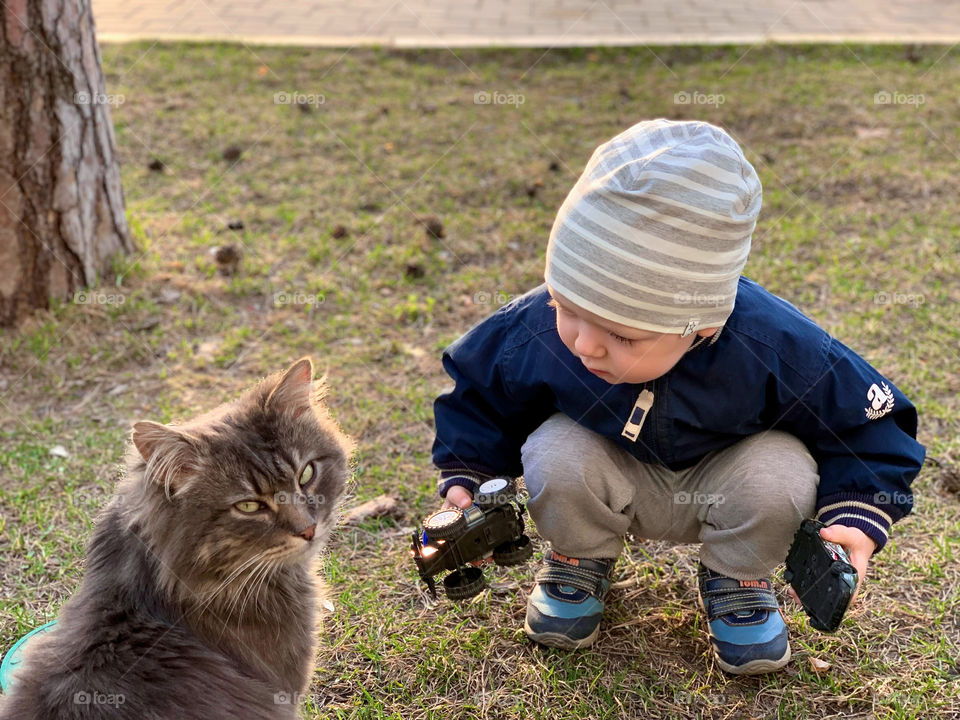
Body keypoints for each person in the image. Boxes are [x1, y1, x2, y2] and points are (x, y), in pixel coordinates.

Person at [430, 119, 925, 675]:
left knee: (781, 470)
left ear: (703, 325)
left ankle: (738, 578)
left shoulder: (776, 345)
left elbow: (870, 423)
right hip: (609, 472)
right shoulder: (535, 330)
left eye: (623, 335)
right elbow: (479, 391)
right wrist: (465, 476)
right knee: (555, 449)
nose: (585, 344)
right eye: (565, 307)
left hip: (728, 485)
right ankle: (578, 557)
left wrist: (857, 514)